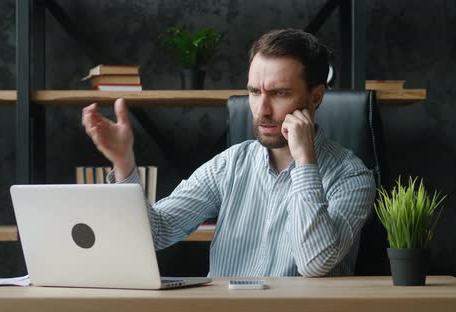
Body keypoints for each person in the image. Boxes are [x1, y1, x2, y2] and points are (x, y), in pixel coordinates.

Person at [82, 29, 376, 277]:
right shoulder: (229, 165)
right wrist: (123, 162)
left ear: (315, 97)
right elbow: (156, 232)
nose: (262, 110)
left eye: (279, 93)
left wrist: (305, 163)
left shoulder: (352, 177)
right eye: (254, 92)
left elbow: (315, 263)